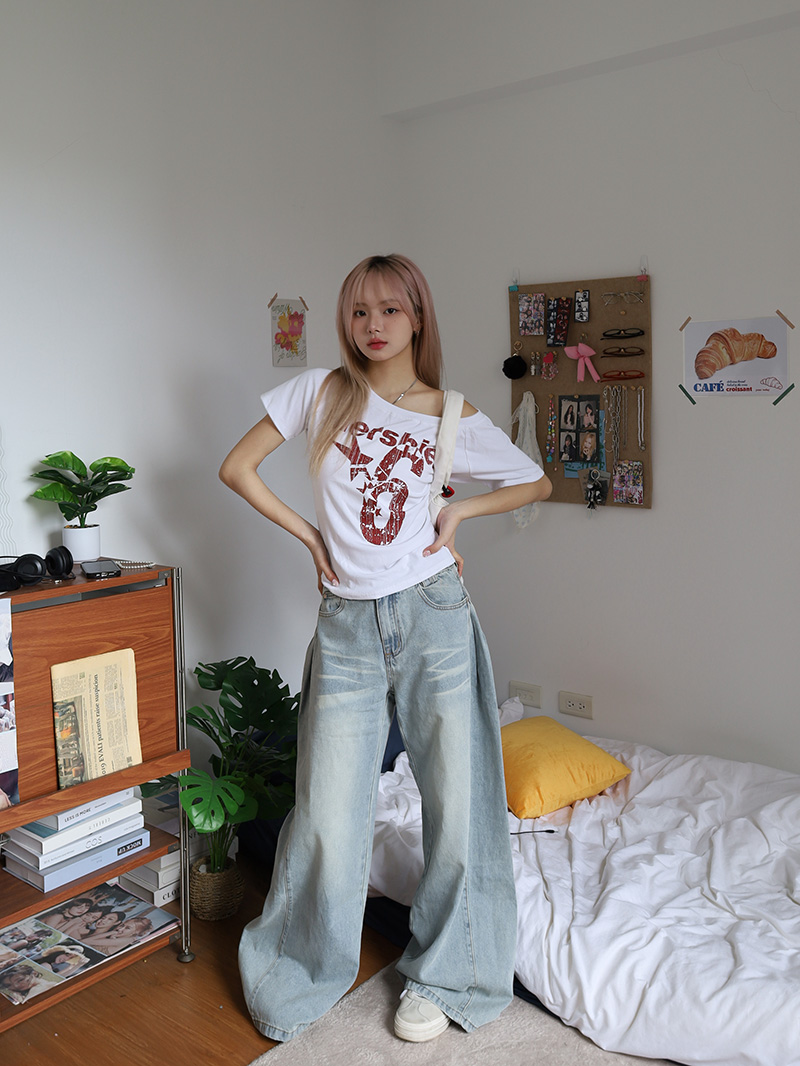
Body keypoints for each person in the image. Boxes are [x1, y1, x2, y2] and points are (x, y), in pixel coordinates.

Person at [220, 253, 552, 1045]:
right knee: (327, 810)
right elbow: (237, 468)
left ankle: (449, 974)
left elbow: (536, 482)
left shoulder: (450, 414)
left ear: (418, 318)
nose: (374, 325)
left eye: (391, 310)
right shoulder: (320, 392)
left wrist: (460, 515)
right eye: (360, 311)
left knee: (459, 801)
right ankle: (300, 972)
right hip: (346, 621)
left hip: (435, 612)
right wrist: (310, 538)